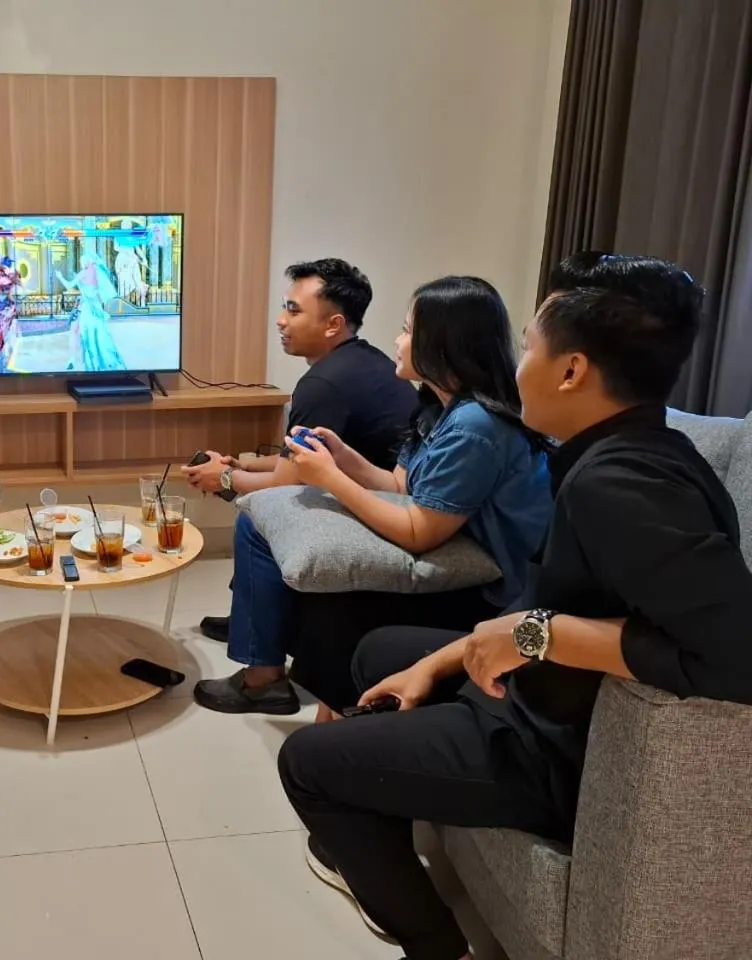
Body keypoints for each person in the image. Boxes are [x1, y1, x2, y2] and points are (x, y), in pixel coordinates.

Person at [278, 254, 752, 960]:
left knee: (306, 762)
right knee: (380, 652)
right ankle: (394, 802)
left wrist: (539, 634)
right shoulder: (633, 451)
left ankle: (439, 947)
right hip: (537, 695)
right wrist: (449, 657)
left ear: (571, 371)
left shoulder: (623, 485)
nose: (516, 363)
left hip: (551, 745)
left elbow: (738, 652)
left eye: (529, 345)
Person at [193, 276, 552, 716]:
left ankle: (321, 712)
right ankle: (317, 705)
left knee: (333, 606)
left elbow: (420, 531)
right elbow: (400, 486)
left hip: (493, 589)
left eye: (406, 330)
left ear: (442, 344)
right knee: (311, 583)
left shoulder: (474, 426)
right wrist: (344, 459)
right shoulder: (438, 408)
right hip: (455, 549)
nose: (396, 342)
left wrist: (329, 479)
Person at [184, 259, 419, 643]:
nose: (280, 320)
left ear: (333, 325)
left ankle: (262, 674)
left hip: (380, 508)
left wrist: (222, 478)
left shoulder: (325, 383)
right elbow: (297, 457)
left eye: (293, 311)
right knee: (255, 498)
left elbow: (287, 482)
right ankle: (251, 614)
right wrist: (240, 463)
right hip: (375, 489)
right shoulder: (360, 360)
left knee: (259, 514)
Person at [56, 253, 127, 372]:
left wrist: (60, 277)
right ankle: (90, 361)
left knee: (79, 332)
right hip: (97, 308)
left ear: (87, 262)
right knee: (96, 334)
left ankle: (74, 360)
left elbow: (69, 285)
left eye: (83, 261)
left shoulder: (83, 273)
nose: (82, 263)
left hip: (86, 308)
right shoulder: (98, 273)